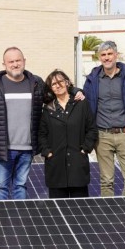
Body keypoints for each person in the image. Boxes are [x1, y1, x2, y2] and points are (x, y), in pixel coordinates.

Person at [83, 40, 125, 196]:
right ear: (99, 57)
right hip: (102, 136)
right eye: (103, 55)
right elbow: (85, 104)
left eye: (109, 54)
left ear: (116, 55)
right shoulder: (92, 79)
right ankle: (110, 218)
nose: (106, 58)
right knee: (106, 182)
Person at [0, 46, 44, 200]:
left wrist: (75, 92)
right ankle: (1, 222)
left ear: (24, 61)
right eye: (11, 61)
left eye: (18, 60)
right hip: (3, 150)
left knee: (20, 186)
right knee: (1, 187)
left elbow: (57, 92)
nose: (15, 64)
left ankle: (19, 221)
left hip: (27, 149)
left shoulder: (36, 83)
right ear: (4, 64)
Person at [38, 69, 98, 198]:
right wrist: (47, 152)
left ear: (67, 82)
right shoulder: (48, 109)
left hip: (77, 164)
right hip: (56, 165)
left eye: (60, 81)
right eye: (54, 84)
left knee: (80, 210)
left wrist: (85, 149)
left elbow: (92, 129)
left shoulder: (81, 104)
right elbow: (42, 134)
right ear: (50, 88)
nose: (58, 85)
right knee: (57, 211)